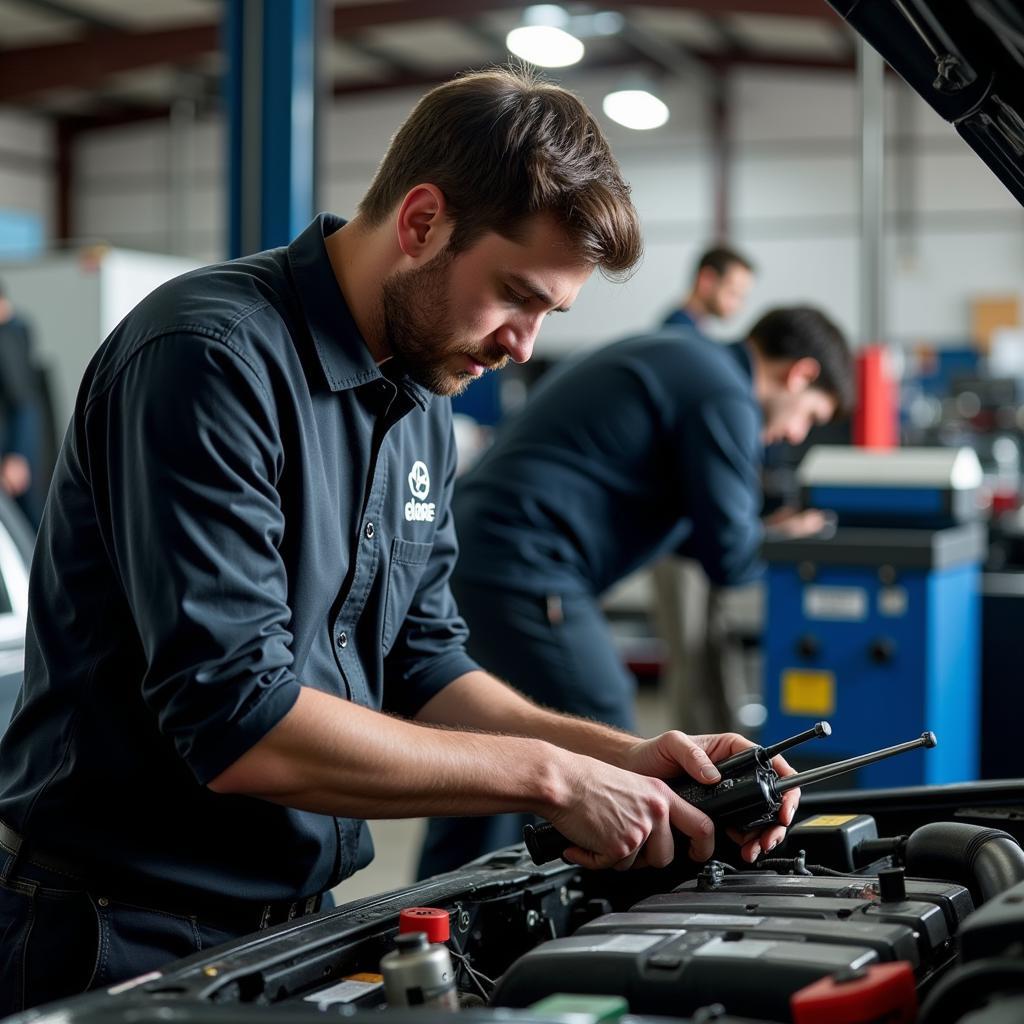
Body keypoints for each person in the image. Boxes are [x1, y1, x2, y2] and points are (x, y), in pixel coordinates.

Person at [0, 68, 798, 1014]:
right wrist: (551, 779)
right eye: (515, 295)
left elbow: (423, 662)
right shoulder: (207, 359)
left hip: (295, 921)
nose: (524, 346)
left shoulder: (417, 401)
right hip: (117, 931)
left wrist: (623, 758)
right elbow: (237, 721)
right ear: (421, 222)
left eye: (549, 315)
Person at [417, 305, 852, 879]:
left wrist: (755, 532)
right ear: (800, 374)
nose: (794, 434)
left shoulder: (688, 361)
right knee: (614, 738)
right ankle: (608, 926)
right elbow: (729, 557)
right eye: (809, 416)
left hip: (484, 549)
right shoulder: (725, 394)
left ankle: (437, 916)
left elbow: (695, 529)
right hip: (525, 561)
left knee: (492, 749)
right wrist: (783, 542)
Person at [0, 280, 44, 528]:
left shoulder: (7, 335)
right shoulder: (17, 329)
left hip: (11, 455)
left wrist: (16, 456)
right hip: (15, 453)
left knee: (23, 529)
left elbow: (23, 399)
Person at [663, 244, 755, 337]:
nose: (739, 306)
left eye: (742, 297)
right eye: (733, 293)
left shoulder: (691, 329)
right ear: (707, 280)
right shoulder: (679, 333)